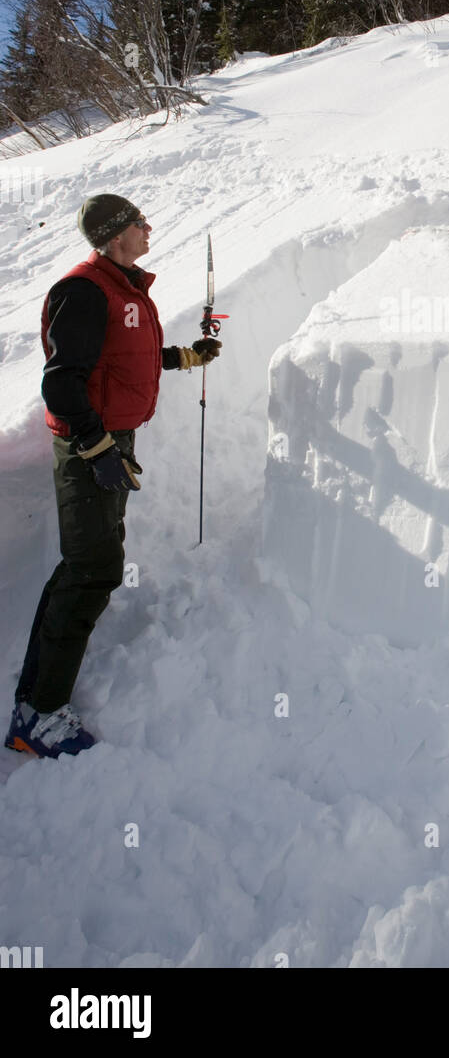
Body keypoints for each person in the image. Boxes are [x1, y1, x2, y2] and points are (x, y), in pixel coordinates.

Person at [5, 194, 222, 759]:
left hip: (109, 443)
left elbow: (127, 358)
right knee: (94, 569)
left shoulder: (125, 288)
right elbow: (61, 382)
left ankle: (34, 691)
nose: (150, 229)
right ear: (117, 232)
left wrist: (187, 357)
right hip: (89, 448)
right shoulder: (83, 290)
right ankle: (40, 714)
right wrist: (98, 447)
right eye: (140, 223)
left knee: (86, 566)